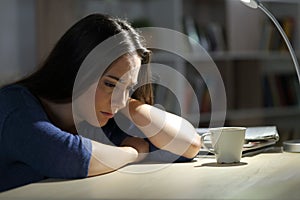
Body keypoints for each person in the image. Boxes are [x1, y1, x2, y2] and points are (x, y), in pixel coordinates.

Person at [0, 13, 201, 192]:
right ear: (76, 70)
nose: (118, 101)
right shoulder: (13, 106)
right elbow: (69, 157)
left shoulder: (99, 119)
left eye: (128, 88)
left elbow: (188, 145)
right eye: (109, 84)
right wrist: (133, 153)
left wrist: (130, 104)